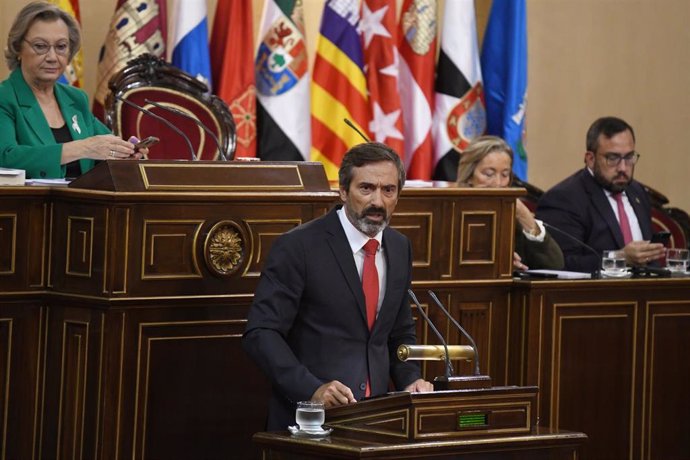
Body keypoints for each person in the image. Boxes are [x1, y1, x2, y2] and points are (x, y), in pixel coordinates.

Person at [243, 142, 433, 431]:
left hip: (377, 421)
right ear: (343, 191)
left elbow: (398, 331)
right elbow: (261, 333)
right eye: (366, 188)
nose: (378, 202)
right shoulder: (299, 247)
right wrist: (312, 389)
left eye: (388, 190)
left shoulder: (399, 247)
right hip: (310, 421)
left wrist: (410, 380)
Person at [0, 1, 145, 180]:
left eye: (61, 47)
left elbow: (102, 148)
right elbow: (6, 157)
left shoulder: (75, 99)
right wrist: (80, 148)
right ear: (18, 48)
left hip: (84, 205)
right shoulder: (5, 98)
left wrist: (126, 153)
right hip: (26, 206)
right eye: (40, 46)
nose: (52, 57)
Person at [536, 116, 665, 272]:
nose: (623, 168)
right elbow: (561, 264)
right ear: (590, 159)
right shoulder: (563, 198)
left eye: (629, 157)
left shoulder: (637, 191)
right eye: (613, 158)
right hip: (595, 294)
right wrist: (619, 258)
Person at [457, 135, 564, 271]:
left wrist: (525, 216)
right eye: (489, 174)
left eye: (505, 175)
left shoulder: (513, 216)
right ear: (469, 177)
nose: (498, 183)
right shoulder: (449, 212)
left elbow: (555, 264)